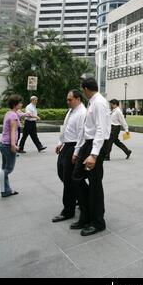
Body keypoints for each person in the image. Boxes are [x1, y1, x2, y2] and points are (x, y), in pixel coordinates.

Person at [71, 77, 111, 236]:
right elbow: (86, 128)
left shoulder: (99, 102)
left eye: (82, 90)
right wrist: (77, 150)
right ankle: (87, 214)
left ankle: (98, 221)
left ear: (86, 89)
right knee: (76, 177)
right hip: (87, 144)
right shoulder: (92, 102)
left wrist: (94, 154)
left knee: (95, 184)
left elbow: (101, 130)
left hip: (96, 145)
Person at [52, 90, 87, 223]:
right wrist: (60, 142)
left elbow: (81, 134)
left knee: (68, 180)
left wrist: (76, 153)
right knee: (61, 173)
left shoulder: (82, 113)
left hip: (74, 147)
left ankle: (68, 210)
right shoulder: (71, 111)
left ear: (78, 99)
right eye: (67, 99)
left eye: (70, 99)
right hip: (66, 145)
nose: (67, 102)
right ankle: (78, 197)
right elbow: (66, 128)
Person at [0, 95, 23, 198]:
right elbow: (13, 131)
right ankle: (5, 189)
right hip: (8, 145)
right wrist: (14, 145)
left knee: (4, 168)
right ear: (15, 104)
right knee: (8, 169)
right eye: (20, 102)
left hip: (3, 144)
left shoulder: (9, 113)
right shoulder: (13, 116)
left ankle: (6, 191)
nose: (21, 104)